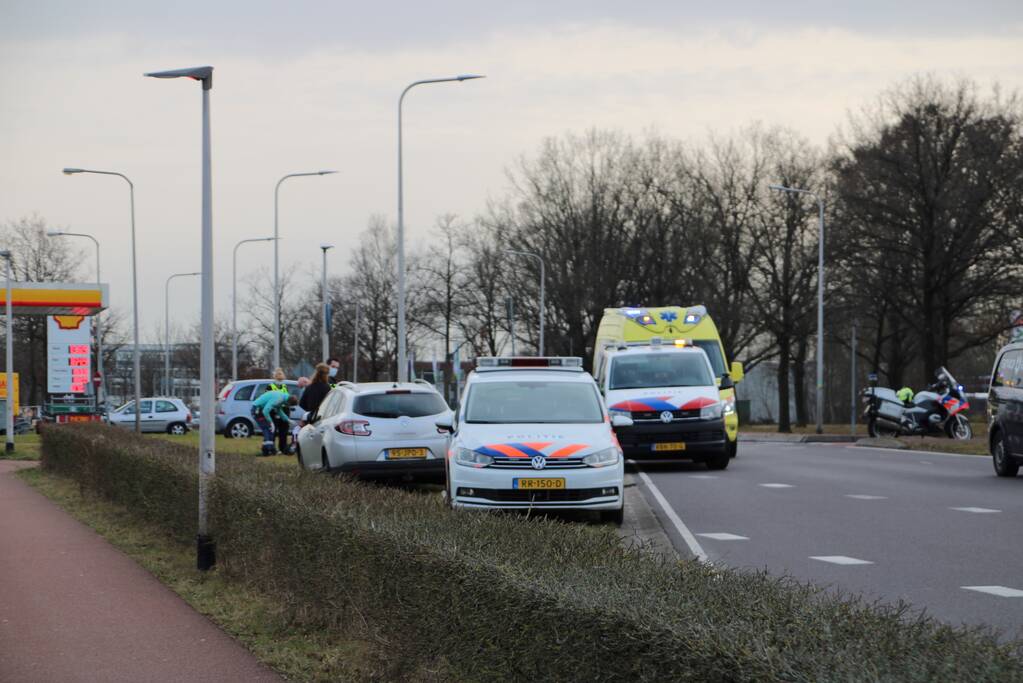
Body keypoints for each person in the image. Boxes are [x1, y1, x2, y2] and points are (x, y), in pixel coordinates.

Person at [251, 388, 297, 456]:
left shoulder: (284, 397)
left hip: (260, 409)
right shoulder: (279, 399)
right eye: (289, 405)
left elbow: (279, 410)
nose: (287, 406)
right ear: (288, 402)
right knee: (267, 429)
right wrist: (271, 422)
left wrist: (288, 420)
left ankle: (268, 450)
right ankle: (269, 450)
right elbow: (265, 410)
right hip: (257, 409)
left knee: (270, 430)